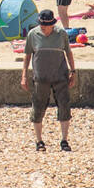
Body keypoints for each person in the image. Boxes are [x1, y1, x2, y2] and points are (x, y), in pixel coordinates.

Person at [22, 9, 75, 152]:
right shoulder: (33, 34)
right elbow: (27, 56)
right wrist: (24, 76)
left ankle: (64, 140)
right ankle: (39, 141)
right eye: (41, 24)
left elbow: (68, 52)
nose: (42, 26)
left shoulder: (61, 34)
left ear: (52, 24)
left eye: (45, 24)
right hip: (40, 78)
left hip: (60, 77)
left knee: (64, 106)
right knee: (38, 108)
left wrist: (73, 71)